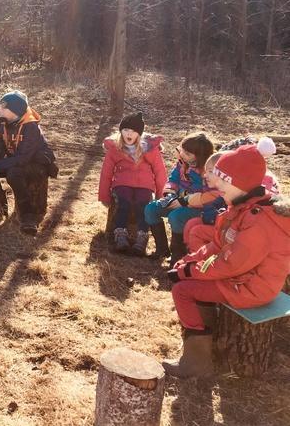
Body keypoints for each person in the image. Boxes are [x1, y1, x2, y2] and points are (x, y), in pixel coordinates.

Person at [163, 144, 290, 378]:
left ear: (239, 182)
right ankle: (206, 342)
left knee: (182, 290)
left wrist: (189, 273)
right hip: (242, 278)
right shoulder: (242, 207)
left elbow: (229, 263)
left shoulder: (258, 222)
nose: (216, 186)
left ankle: (197, 363)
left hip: (252, 288)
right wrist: (189, 261)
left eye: (222, 182)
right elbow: (219, 244)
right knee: (186, 281)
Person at [0, 90, 58, 235]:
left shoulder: (31, 127)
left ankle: (28, 217)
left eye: (3, 108)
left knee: (13, 174)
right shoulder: (4, 124)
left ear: (15, 111)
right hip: (17, 161)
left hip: (36, 164)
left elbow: (24, 157)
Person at [98, 112, 167, 255]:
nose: (129, 134)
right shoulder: (115, 148)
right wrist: (104, 196)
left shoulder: (150, 149)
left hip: (145, 184)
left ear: (139, 134)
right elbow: (106, 173)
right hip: (122, 182)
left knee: (143, 206)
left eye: (133, 131)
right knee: (123, 203)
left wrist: (161, 196)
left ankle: (141, 238)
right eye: (125, 130)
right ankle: (120, 235)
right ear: (120, 131)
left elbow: (160, 172)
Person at [144, 132, 215, 265]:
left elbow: (206, 196)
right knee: (151, 209)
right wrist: (169, 194)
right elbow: (173, 179)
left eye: (188, 154)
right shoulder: (182, 163)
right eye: (183, 150)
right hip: (178, 200)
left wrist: (183, 200)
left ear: (199, 157)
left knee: (176, 217)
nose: (183, 155)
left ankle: (178, 254)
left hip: (199, 207)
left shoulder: (207, 171)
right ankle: (162, 249)